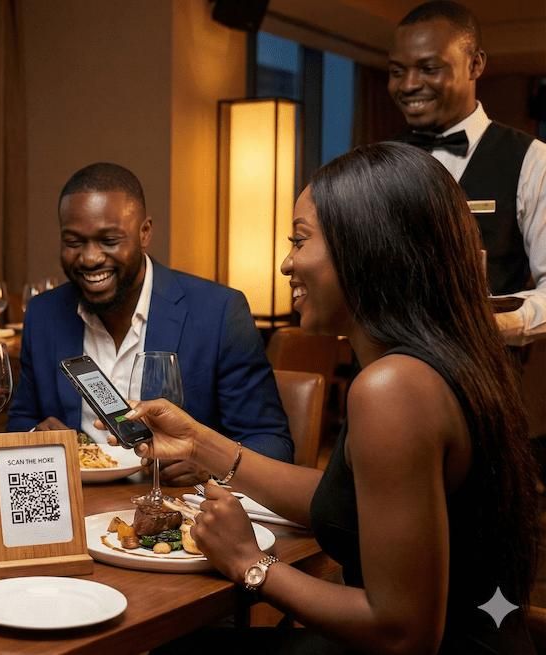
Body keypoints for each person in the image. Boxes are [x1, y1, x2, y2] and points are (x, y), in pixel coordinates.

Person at [141, 143, 537, 653]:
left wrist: (248, 562)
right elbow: (350, 502)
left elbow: (403, 632)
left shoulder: (392, 390)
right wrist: (198, 444)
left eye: (300, 241)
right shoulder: (433, 362)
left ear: (366, 250)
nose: (286, 263)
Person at [7, 162, 293, 485]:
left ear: (144, 233)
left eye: (109, 240)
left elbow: (273, 444)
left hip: (177, 518)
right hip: (75, 515)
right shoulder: (44, 315)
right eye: (74, 242)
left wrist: (209, 462)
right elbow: (20, 421)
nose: (89, 258)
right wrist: (35, 436)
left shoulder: (218, 313)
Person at [388, 0, 546, 346]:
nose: (409, 85)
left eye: (429, 68)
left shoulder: (531, 160)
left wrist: (496, 327)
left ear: (475, 64)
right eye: (397, 72)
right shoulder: (378, 161)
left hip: (482, 383)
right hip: (381, 374)